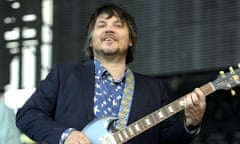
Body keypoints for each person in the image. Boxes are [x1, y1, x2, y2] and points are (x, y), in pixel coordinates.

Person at [16, 3, 206, 144]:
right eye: (102, 25)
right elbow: (27, 116)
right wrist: (65, 135)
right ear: (90, 41)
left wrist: (190, 123)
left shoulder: (153, 88)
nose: (109, 29)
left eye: (118, 25)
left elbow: (167, 140)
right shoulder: (64, 75)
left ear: (130, 39)